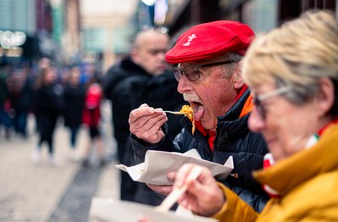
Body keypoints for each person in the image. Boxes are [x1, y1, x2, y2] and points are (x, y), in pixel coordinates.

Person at [125, 10, 338, 222]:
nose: (255, 122)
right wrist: (221, 208)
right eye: (180, 74)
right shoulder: (324, 171)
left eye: (264, 104)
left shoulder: (336, 204)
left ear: (322, 96)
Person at [128, 21, 269, 212]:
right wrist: (152, 143)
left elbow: (290, 218)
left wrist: (218, 199)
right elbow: (179, 160)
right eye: (179, 73)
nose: (180, 87)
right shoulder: (197, 124)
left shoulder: (272, 128)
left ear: (239, 74)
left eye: (195, 73)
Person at [103, 28, 184, 204]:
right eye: (154, 52)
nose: (162, 57)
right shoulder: (127, 86)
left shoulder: (155, 80)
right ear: (136, 55)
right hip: (137, 175)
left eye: (165, 51)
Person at [31, 66, 65, 165]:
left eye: (53, 74)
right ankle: (38, 150)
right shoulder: (40, 88)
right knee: (44, 132)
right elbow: (36, 103)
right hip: (43, 114)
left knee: (51, 134)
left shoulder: (56, 87)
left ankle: (51, 154)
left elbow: (60, 101)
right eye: (50, 74)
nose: (52, 76)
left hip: (54, 115)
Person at [81, 75, 105, 168]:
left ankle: (90, 157)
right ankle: (94, 157)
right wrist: (94, 121)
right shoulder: (95, 90)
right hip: (93, 121)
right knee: (94, 139)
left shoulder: (92, 89)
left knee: (93, 139)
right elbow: (91, 106)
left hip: (93, 120)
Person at [62, 66, 86, 161]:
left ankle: (74, 148)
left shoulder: (81, 87)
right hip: (70, 114)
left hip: (79, 113)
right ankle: (73, 148)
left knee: (77, 131)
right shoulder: (67, 87)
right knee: (72, 131)